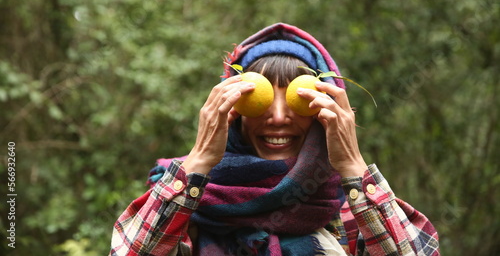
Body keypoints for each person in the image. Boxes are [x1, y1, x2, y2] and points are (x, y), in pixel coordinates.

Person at [109, 23, 439, 256]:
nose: (279, 117)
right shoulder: (183, 202)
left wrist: (352, 165)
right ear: (232, 111)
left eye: (297, 98)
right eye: (261, 99)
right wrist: (198, 162)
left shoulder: (353, 209)